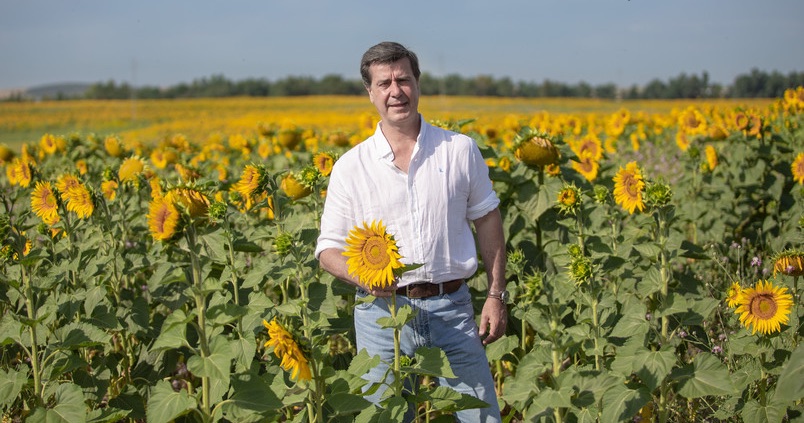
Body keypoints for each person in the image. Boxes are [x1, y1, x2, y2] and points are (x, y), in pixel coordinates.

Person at [315, 41, 507, 422]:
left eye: (403, 79)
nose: (395, 91)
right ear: (369, 93)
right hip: (381, 315)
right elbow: (328, 249)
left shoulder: (459, 150)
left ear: (418, 84)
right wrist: (364, 278)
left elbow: (487, 219)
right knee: (383, 417)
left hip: (451, 307)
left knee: (481, 417)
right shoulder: (351, 166)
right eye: (384, 83)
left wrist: (496, 294)